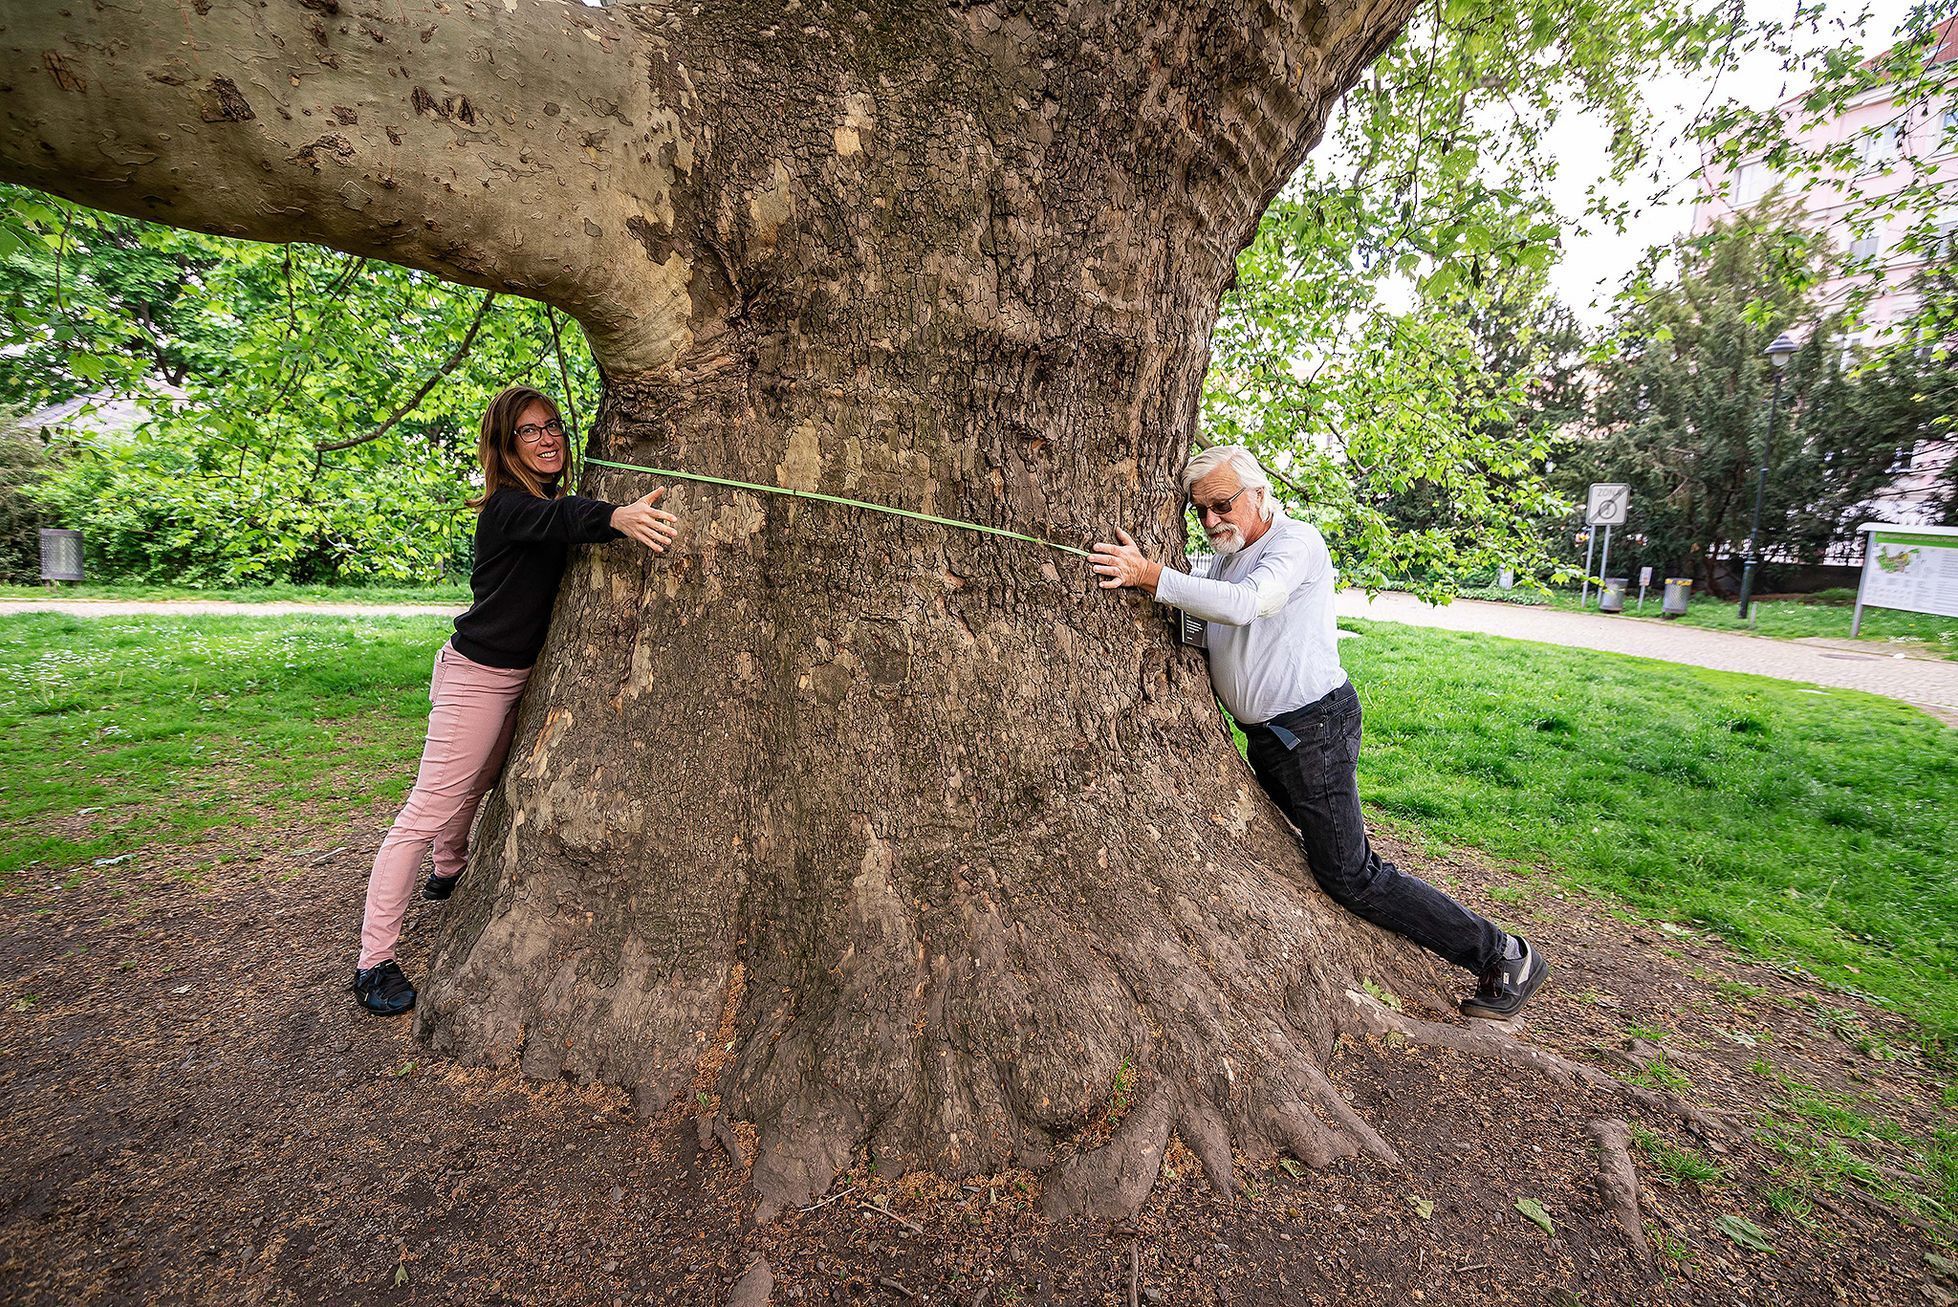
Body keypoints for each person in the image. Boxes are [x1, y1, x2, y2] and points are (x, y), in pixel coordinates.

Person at [1088, 444, 1548, 1020]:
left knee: (1350, 875)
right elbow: (1220, 625)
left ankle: (1502, 953)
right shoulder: (1230, 555)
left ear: (1258, 494)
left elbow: (1250, 606)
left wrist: (1153, 576)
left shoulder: (1294, 544)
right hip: (1273, 738)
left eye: (1222, 505)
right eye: (1199, 510)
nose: (1210, 521)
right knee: (1335, 857)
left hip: (1313, 729)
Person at [351, 385, 679, 1016]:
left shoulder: (549, 500)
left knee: (481, 784)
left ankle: (448, 870)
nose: (548, 438)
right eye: (530, 431)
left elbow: (562, 515)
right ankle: (373, 961)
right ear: (505, 446)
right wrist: (618, 518)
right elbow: (554, 522)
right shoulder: (506, 508)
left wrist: (599, 513)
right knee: (429, 807)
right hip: (476, 674)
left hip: (523, 675)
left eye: (553, 425)